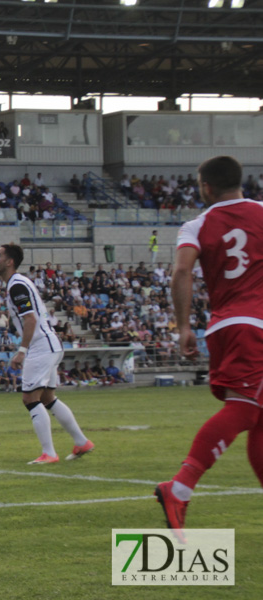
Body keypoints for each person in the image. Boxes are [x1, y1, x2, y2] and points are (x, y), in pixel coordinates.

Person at [155, 155, 263, 542]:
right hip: (256, 325)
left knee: (258, 413)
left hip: (224, 325)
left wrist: (184, 326)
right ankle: (179, 488)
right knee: (245, 407)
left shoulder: (197, 225)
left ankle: (180, 489)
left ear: (205, 187)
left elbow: (181, 271)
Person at [0, 243, 95, 465]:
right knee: (47, 397)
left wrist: (21, 351)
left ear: (9, 262)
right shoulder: (18, 283)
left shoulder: (16, 285)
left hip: (41, 346)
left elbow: (31, 319)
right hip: (50, 344)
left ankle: (49, 453)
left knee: (29, 398)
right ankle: (81, 441)